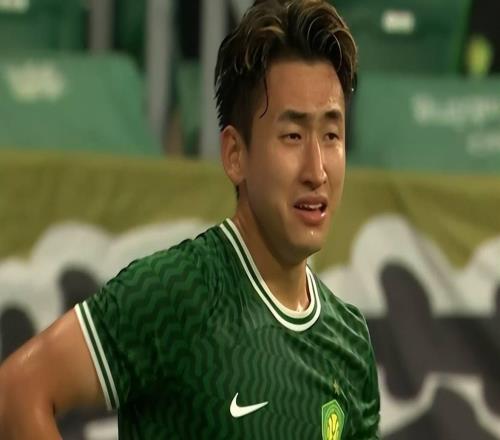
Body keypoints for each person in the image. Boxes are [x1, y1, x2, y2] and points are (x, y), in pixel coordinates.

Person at [0, 0, 380, 438]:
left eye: (331, 135)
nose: (317, 170)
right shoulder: (180, 292)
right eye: (292, 135)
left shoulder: (350, 341)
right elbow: (17, 394)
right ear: (235, 155)